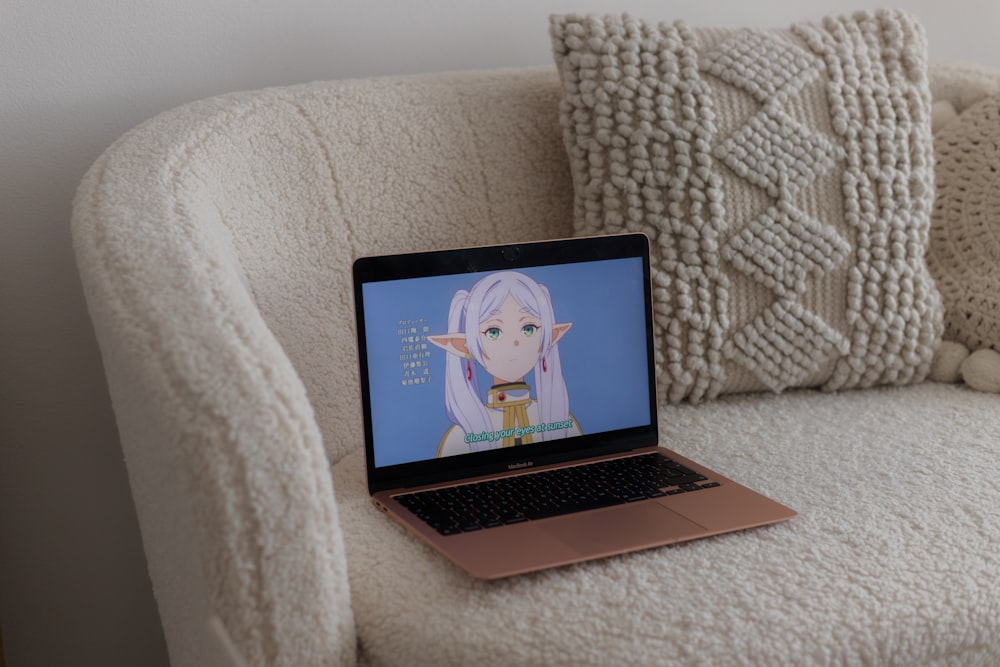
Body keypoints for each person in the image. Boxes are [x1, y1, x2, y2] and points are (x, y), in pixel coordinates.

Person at [428, 271, 581, 457]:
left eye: (528, 328)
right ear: (465, 346)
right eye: (493, 332)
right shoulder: (460, 437)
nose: (514, 342)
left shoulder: (562, 423)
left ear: (548, 339)